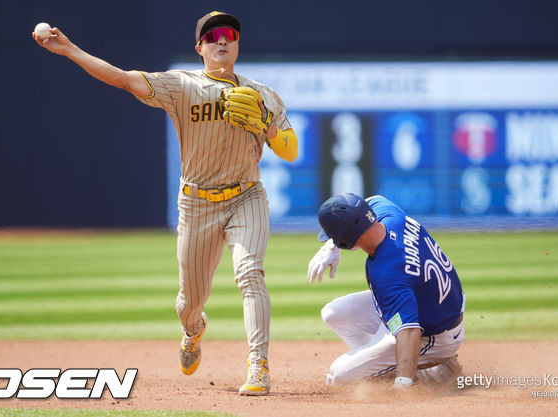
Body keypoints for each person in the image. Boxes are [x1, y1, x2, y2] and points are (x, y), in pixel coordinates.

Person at [33, 11, 299, 396]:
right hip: (197, 205)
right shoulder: (181, 86)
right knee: (189, 302)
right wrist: (70, 49)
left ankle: (258, 366)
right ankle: (193, 330)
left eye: (228, 34)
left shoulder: (264, 95)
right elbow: (122, 78)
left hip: (247, 196)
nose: (221, 40)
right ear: (200, 48)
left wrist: (267, 126)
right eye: (211, 36)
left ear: (237, 43)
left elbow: (290, 149)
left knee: (249, 273)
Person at [308, 193, 465, 388]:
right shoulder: (389, 215)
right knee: (332, 314)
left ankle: (433, 372)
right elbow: (371, 200)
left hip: (435, 336)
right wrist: (331, 246)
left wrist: (403, 384)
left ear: (345, 241)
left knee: (339, 377)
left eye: (334, 238)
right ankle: (383, 360)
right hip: (426, 305)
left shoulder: (387, 271)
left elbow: (410, 331)